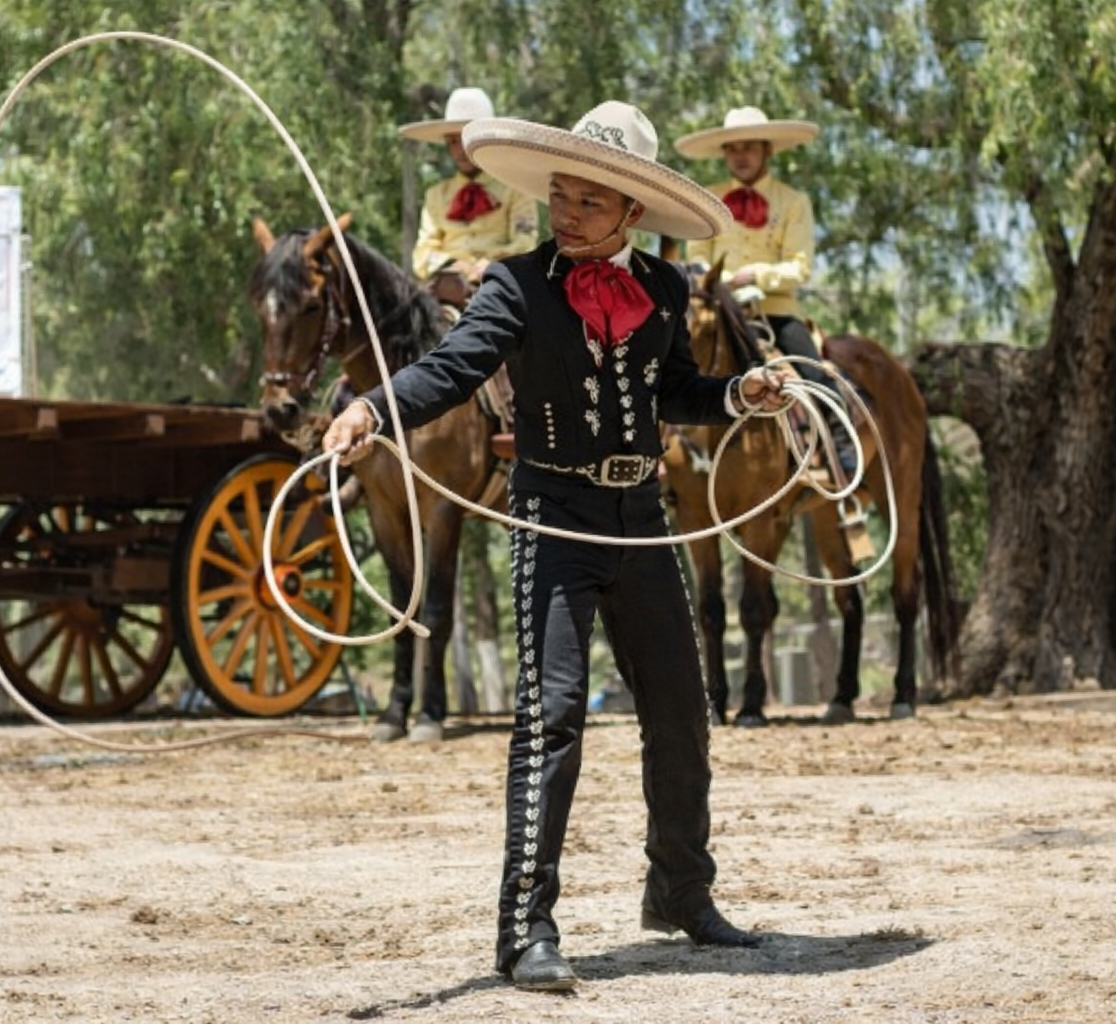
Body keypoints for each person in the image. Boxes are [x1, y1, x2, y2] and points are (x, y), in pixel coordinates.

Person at [324, 100, 786, 992]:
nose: (565, 214)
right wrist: (373, 409)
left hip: (643, 516)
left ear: (631, 214)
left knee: (683, 710)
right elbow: (452, 369)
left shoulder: (663, 288)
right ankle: (525, 928)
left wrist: (738, 395)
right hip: (553, 520)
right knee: (553, 716)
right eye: (558, 197)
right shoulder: (515, 284)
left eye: (587, 202)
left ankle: (682, 893)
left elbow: (673, 388)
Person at [674, 106, 854, 468]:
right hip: (719, 306)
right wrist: (715, 281)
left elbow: (799, 267)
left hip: (774, 310)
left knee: (811, 368)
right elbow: (696, 256)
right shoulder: (708, 198)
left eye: (749, 148)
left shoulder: (793, 202)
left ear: (767, 150)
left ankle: (840, 443)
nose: (740, 157)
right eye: (733, 149)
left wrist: (756, 275)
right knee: (672, 356)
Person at [399, 86, 539, 302]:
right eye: (453, 141)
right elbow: (423, 254)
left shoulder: (516, 189)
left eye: (467, 139)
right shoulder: (436, 195)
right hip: (445, 290)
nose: (459, 150)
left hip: (500, 285)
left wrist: (488, 265)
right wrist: (453, 265)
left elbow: (525, 244)